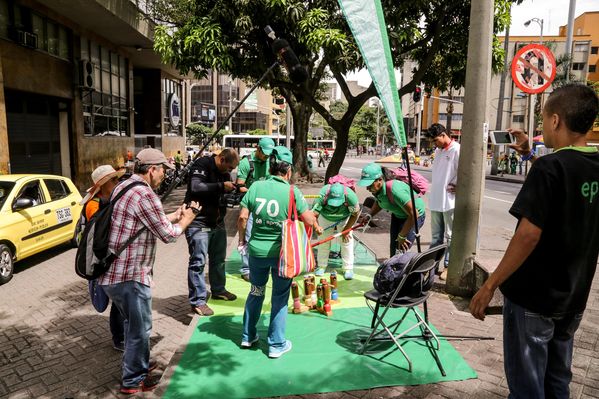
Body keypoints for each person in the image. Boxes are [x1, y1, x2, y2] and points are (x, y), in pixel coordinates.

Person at [470, 83, 599, 399]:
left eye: (544, 119)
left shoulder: (549, 167)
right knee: (558, 381)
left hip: (534, 297)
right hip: (574, 296)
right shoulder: (587, 164)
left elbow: (528, 235)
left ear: (555, 121)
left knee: (527, 387)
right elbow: (567, 176)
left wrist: (490, 286)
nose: (542, 126)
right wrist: (529, 153)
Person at [98, 148, 198, 394]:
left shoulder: (125, 186)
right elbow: (167, 235)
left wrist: (173, 215)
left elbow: (146, 221)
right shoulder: (145, 195)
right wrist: (187, 218)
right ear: (152, 170)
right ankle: (133, 381)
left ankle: (138, 365)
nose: (164, 174)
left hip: (112, 274)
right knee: (139, 330)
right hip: (130, 276)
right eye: (163, 169)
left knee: (135, 327)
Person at [237, 146, 316, 358]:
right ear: (288, 170)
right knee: (280, 298)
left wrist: (242, 240)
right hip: (283, 255)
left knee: (256, 291)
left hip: (256, 253)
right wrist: (314, 225)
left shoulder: (255, 187)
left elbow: (243, 217)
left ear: (271, 166)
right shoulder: (292, 192)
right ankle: (276, 344)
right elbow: (308, 218)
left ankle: (247, 336)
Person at [185, 148, 240, 316]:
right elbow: (196, 187)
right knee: (198, 263)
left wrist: (234, 191)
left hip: (217, 222)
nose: (230, 172)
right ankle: (198, 301)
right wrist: (221, 186)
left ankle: (218, 290)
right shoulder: (202, 164)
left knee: (219, 260)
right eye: (229, 168)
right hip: (198, 222)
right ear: (222, 159)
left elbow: (220, 192)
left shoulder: (224, 173)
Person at [80, 164, 126, 352]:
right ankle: (119, 339)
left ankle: (121, 336)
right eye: (114, 180)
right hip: (102, 261)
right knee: (117, 301)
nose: (118, 182)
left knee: (119, 302)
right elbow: (102, 235)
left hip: (113, 259)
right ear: (104, 184)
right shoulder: (94, 205)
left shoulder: (109, 199)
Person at [357, 163, 426, 257]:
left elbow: (414, 214)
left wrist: (402, 235)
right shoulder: (378, 189)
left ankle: (402, 269)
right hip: (399, 215)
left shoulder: (395, 190)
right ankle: (392, 268)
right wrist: (369, 215)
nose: (367, 188)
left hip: (414, 216)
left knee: (401, 248)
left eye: (369, 184)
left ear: (380, 180)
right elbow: (379, 202)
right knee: (393, 247)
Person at [236, 137, 276, 282]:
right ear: (258, 148)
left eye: (269, 154)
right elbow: (239, 186)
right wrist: (256, 193)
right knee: (248, 235)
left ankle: (265, 264)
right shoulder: (246, 162)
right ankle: (246, 268)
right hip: (250, 204)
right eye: (264, 153)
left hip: (267, 204)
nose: (266, 156)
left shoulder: (271, 161)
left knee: (266, 233)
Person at [426, 123, 460, 279]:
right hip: (436, 199)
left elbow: (464, 171)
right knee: (435, 236)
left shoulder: (457, 149)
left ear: (443, 134)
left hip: (450, 200)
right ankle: (432, 265)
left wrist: (460, 186)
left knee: (451, 235)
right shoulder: (439, 152)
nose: (434, 144)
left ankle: (448, 266)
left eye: (435, 140)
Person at [312, 183, 360, 280]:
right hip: (325, 217)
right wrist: (317, 227)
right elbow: (314, 215)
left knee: (347, 240)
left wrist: (347, 229)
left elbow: (355, 214)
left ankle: (348, 268)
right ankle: (321, 265)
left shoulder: (350, 196)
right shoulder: (322, 195)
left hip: (344, 218)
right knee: (323, 240)